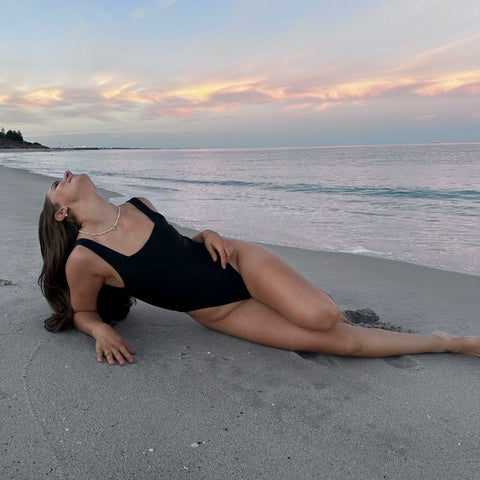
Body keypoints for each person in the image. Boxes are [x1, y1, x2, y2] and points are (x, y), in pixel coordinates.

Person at [38, 171, 480, 366]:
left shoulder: (140, 204)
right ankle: (448, 343)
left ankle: (300, 297)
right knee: (339, 344)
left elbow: (174, 245)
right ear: (62, 213)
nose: (68, 174)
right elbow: (83, 312)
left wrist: (207, 232)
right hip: (221, 313)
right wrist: (99, 331)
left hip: (240, 265)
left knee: (322, 317)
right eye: (59, 183)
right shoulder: (85, 257)